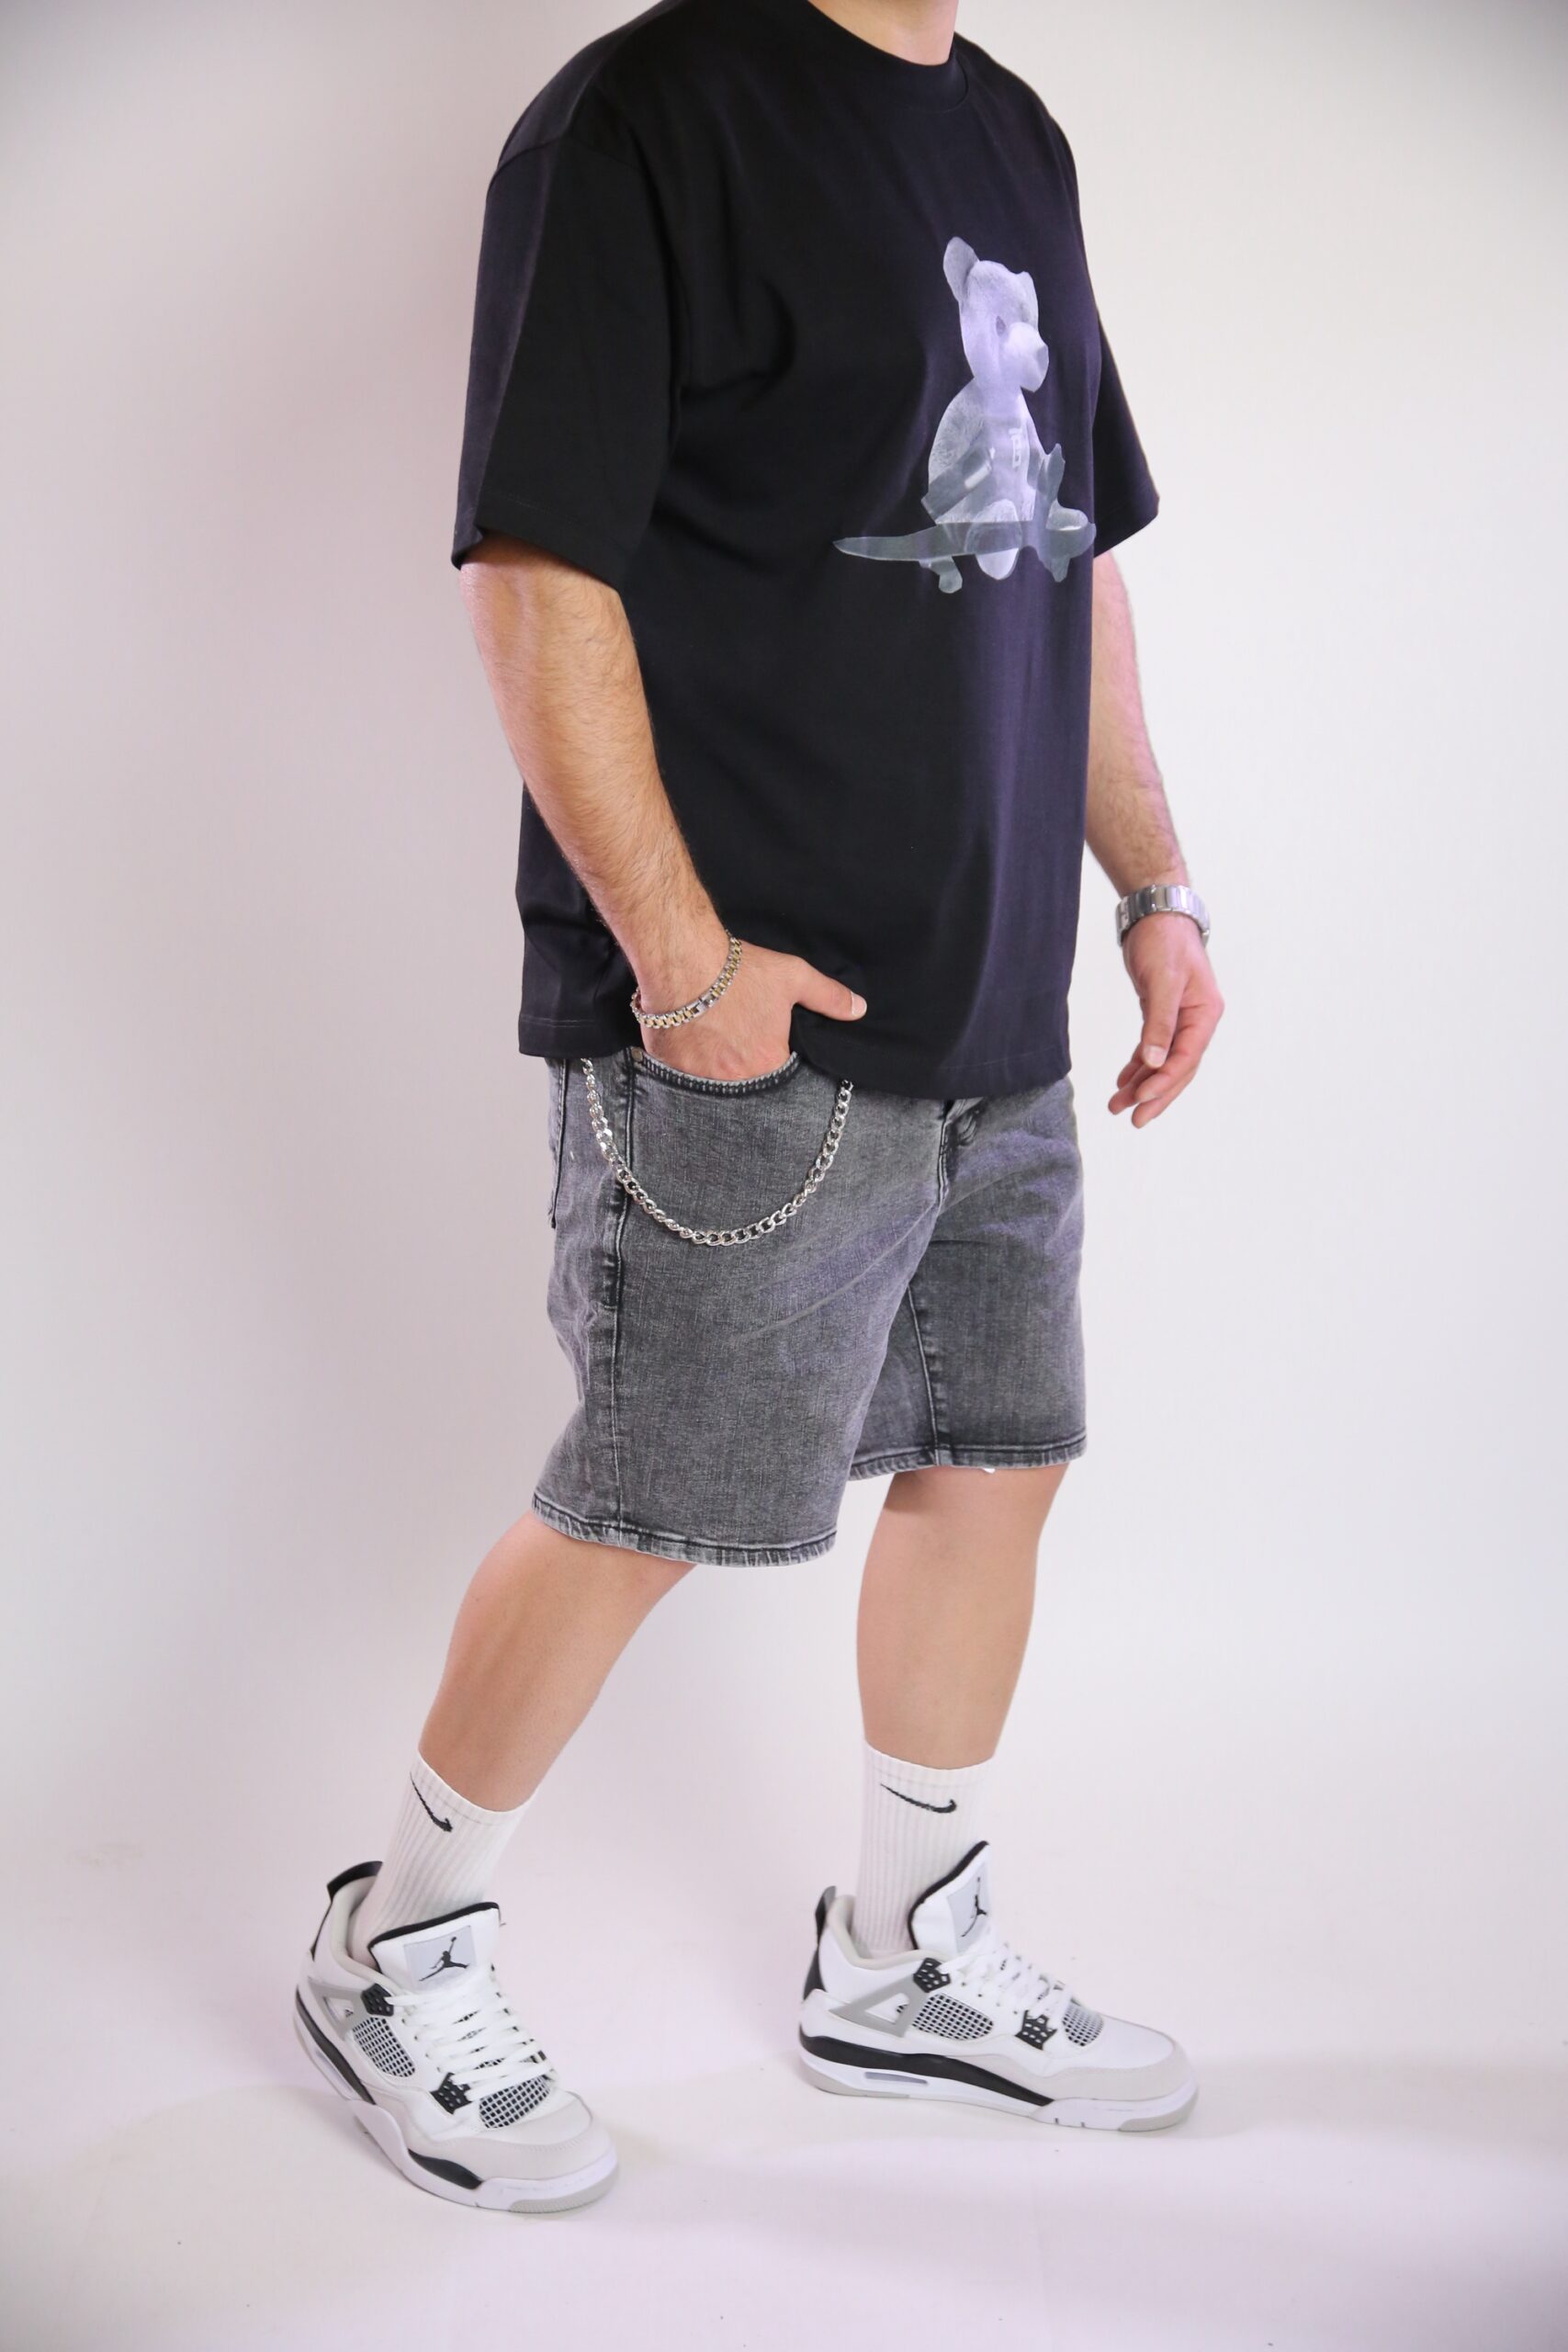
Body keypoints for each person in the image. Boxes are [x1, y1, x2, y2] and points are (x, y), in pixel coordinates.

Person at [293, 0, 1224, 2213]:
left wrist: (1151, 885)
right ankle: (392, 1940)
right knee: (650, 1498)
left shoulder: (1010, 135)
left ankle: (899, 1954)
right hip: (753, 1014)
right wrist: (683, 962)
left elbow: (1070, 554)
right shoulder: (644, 117)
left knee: (993, 1463)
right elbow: (536, 566)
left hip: (993, 999)